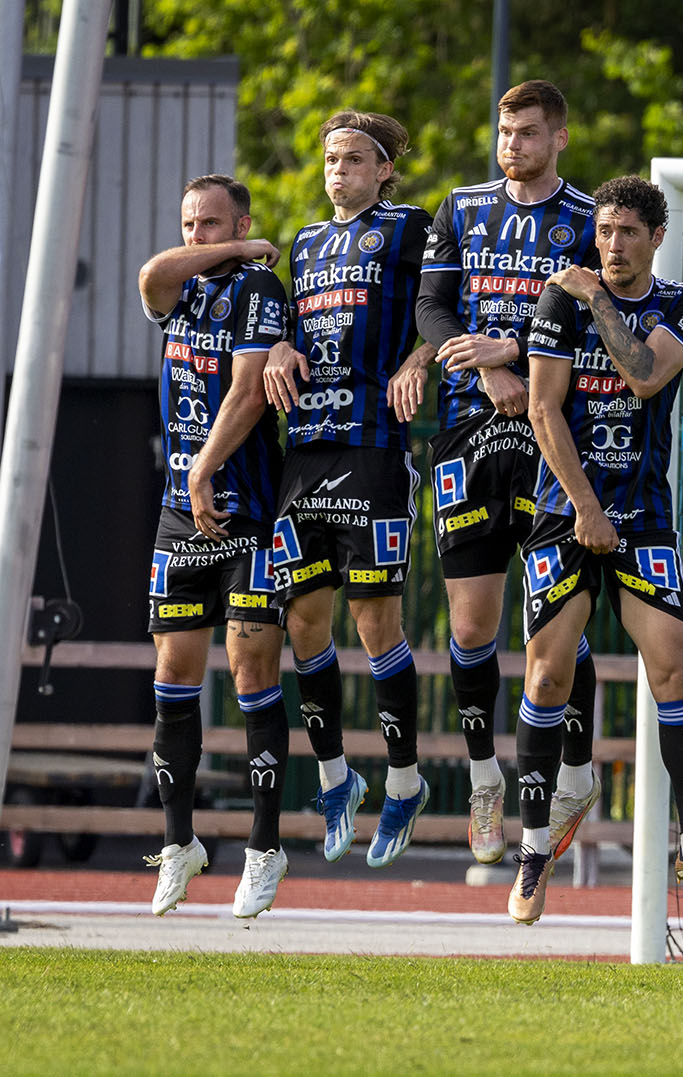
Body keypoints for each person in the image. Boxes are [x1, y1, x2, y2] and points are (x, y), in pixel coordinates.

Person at [509, 175, 683, 923]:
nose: (610, 245)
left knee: (673, 662)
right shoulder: (557, 303)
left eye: (627, 233)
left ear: (654, 238)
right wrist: (584, 508)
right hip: (564, 511)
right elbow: (543, 409)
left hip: (641, 514)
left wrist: (598, 299)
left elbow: (643, 377)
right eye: (603, 232)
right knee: (546, 675)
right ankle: (535, 850)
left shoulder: (682, 304)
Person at [413, 79, 602, 865]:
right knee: (470, 625)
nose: (511, 144)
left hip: (554, 431)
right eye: (503, 131)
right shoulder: (460, 207)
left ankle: (577, 771)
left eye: (526, 132)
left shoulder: (593, 221)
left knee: (553, 618)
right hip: (467, 426)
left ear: (558, 137)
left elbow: (605, 319)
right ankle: (484, 774)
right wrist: (486, 364)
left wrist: (520, 353)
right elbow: (431, 307)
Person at [263, 110, 434, 869]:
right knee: (303, 623)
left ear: (384, 169)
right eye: (331, 158)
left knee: (373, 625)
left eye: (356, 159)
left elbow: (444, 304)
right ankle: (336, 777)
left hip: (372, 446)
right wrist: (274, 343)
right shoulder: (303, 242)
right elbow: (291, 324)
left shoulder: (408, 227)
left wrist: (420, 358)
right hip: (304, 449)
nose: (340, 171)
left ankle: (405, 780)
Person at [136, 174, 294, 918]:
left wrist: (205, 465)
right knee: (173, 672)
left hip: (249, 513)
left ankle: (263, 847)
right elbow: (151, 276)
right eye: (190, 224)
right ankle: (180, 843)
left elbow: (249, 391)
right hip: (178, 515)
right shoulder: (182, 287)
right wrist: (216, 248)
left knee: (250, 663)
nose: (197, 236)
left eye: (213, 224)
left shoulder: (259, 287)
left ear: (245, 223)